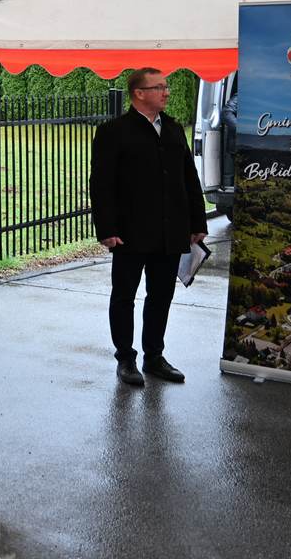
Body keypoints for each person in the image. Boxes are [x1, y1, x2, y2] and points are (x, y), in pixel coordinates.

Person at [90, 68, 207, 386]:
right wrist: (107, 228)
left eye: (166, 87)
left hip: (171, 230)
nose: (166, 92)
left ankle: (154, 356)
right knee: (124, 295)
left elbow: (189, 178)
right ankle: (126, 359)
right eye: (159, 87)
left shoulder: (173, 128)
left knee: (161, 295)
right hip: (130, 231)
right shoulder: (114, 132)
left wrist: (197, 221)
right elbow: (101, 184)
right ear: (139, 93)